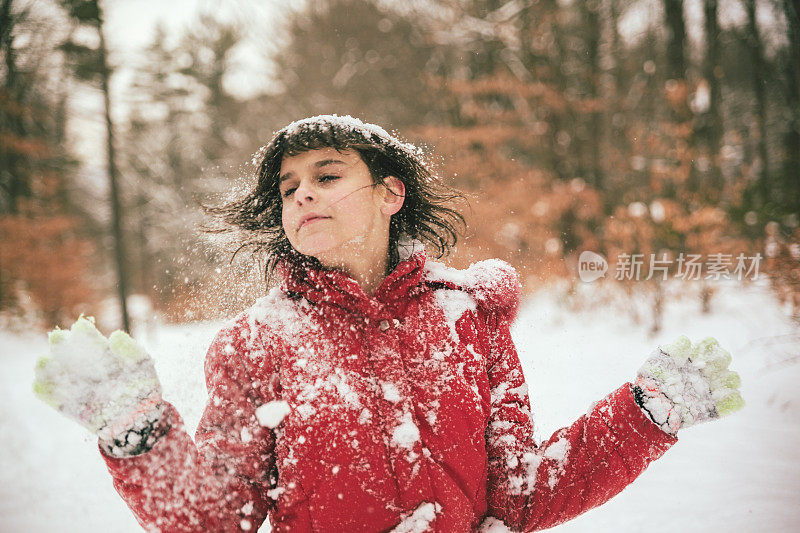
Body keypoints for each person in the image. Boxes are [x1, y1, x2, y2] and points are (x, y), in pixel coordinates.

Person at [33, 114, 745, 532]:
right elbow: (222, 511)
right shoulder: (257, 343)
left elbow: (519, 488)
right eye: (289, 188)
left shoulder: (469, 319)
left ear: (389, 193)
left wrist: (642, 415)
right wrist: (138, 433)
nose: (303, 192)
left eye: (327, 174)